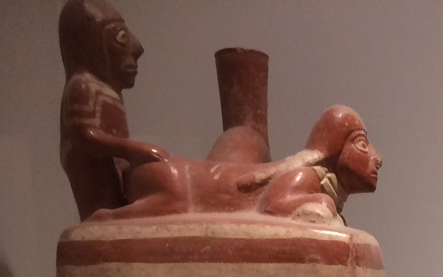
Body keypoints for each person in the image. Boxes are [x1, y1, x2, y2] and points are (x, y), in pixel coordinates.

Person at [102, 105, 381, 223]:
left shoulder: (313, 180)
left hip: (179, 175)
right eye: (361, 143)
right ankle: (107, 218)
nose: (376, 158)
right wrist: (324, 202)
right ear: (334, 150)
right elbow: (274, 205)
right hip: (176, 179)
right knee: (167, 207)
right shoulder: (306, 177)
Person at [58, 0, 170, 220]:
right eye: (121, 37)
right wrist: (132, 149)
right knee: (101, 213)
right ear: (89, 46)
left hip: (111, 165)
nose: (137, 48)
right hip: (93, 166)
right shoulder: (83, 86)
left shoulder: (102, 90)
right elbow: (83, 136)